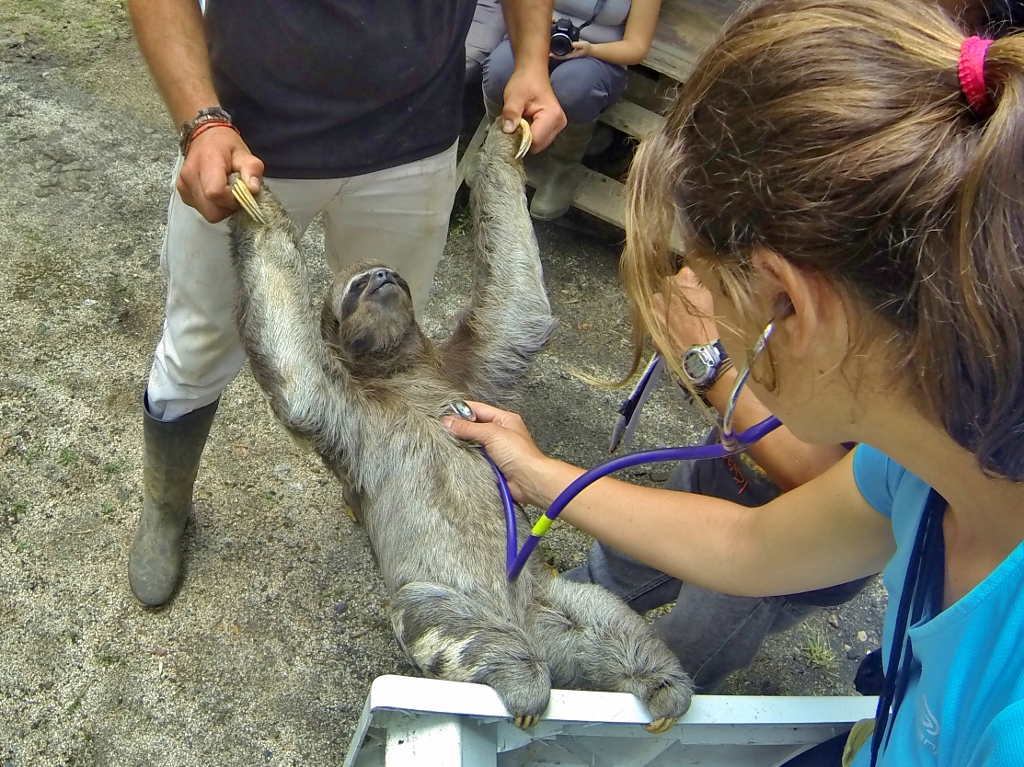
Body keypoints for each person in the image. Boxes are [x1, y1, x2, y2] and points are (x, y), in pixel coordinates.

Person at [443, 0, 1024, 764]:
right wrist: (539, 471)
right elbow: (750, 543)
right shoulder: (920, 460)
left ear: (793, 303)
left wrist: (708, 369)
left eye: (709, 283)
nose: (700, 307)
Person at [126, 0, 566, 609]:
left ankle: (378, 482)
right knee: (200, 343)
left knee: (392, 348)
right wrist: (200, 120)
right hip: (249, 139)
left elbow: (520, 316)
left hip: (412, 138)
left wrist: (532, 60)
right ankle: (166, 505)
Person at [564, 266, 870, 693]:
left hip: (783, 559)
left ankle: (598, 730)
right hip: (716, 475)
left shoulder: (916, 338)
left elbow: (848, 487)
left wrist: (708, 362)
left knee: (671, 662)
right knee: (610, 574)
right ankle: (540, 634)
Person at [482, 0, 662, 220]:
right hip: (536, 41)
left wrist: (590, 49)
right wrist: (535, 27)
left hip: (599, 57)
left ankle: (562, 167)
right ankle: (497, 149)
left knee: (572, 87)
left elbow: (636, 48)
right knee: (501, 70)